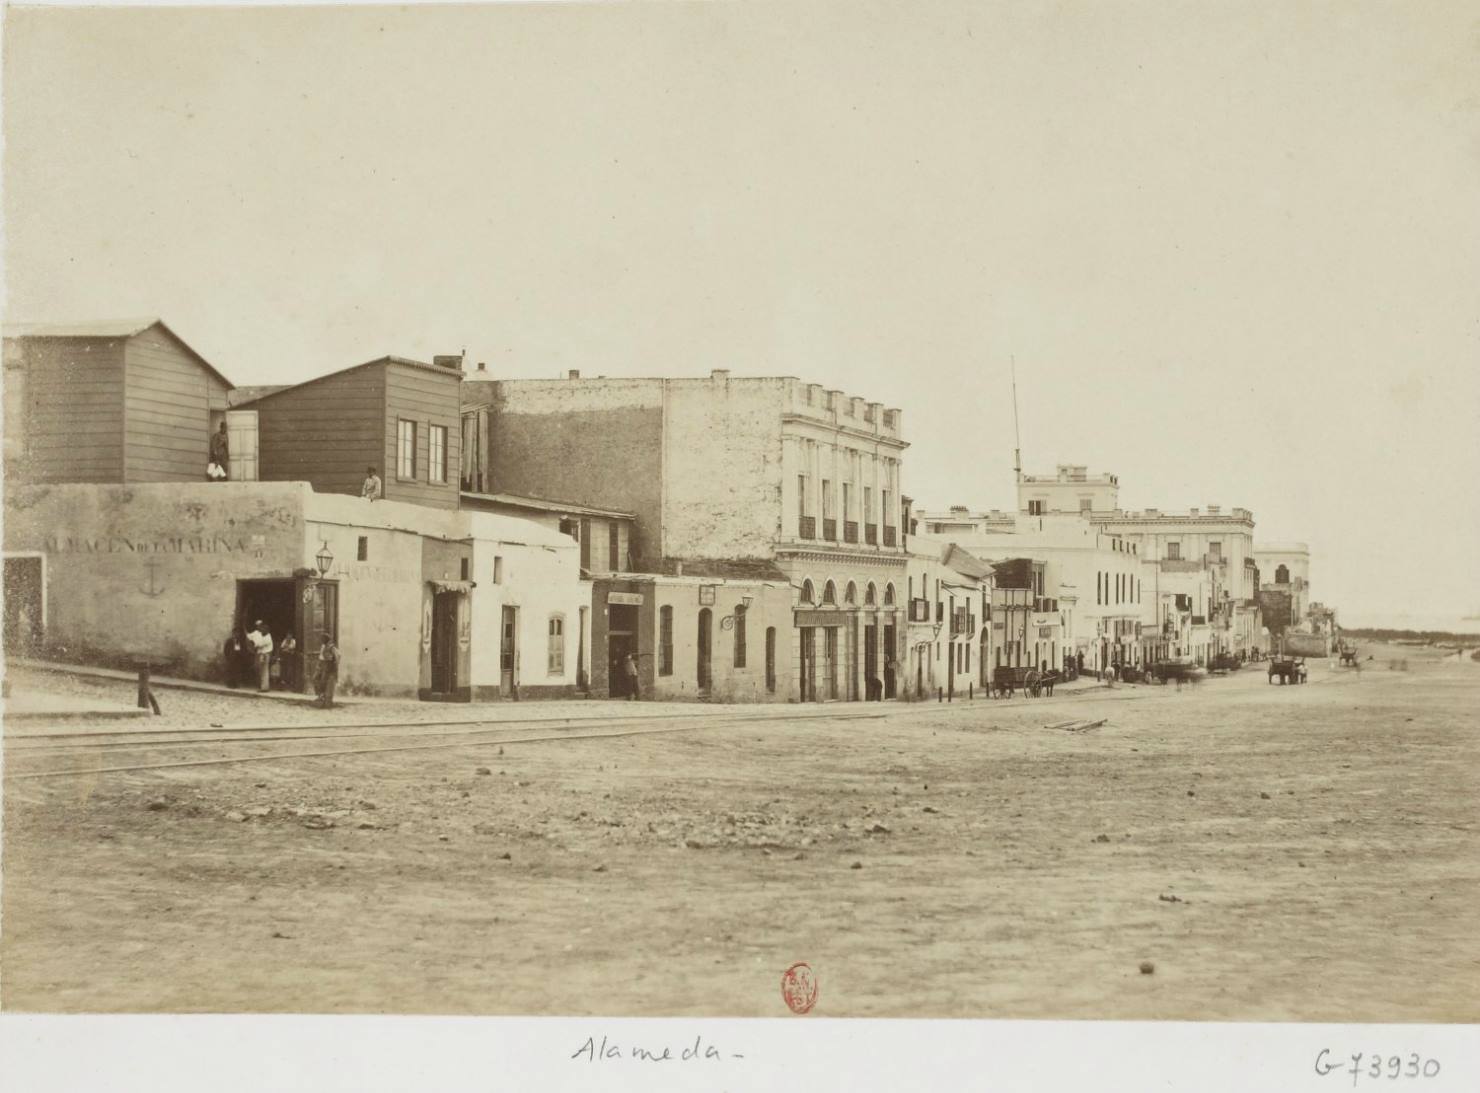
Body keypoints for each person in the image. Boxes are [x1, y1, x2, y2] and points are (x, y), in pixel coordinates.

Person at [314, 631, 340, 708]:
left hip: (329, 667)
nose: (321, 641)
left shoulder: (331, 647)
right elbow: (322, 657)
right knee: (318, 680)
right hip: (324, 666)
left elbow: (338, 656)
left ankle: (326, 702)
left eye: (322, 639)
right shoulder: (324, 646)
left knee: (327, 684)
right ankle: (321, 697)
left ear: (326, 640)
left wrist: (334, 663)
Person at [247, 620, 273, 692]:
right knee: (262, 670)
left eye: (264, 629)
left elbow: (259, 644)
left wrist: (254, 645)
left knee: (264, 671)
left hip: (265, 655)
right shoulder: (263, 635)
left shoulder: (268, 637)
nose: (262, 630)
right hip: (262, 654)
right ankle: (262, 686)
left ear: (267, 630)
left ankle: (264, 687)